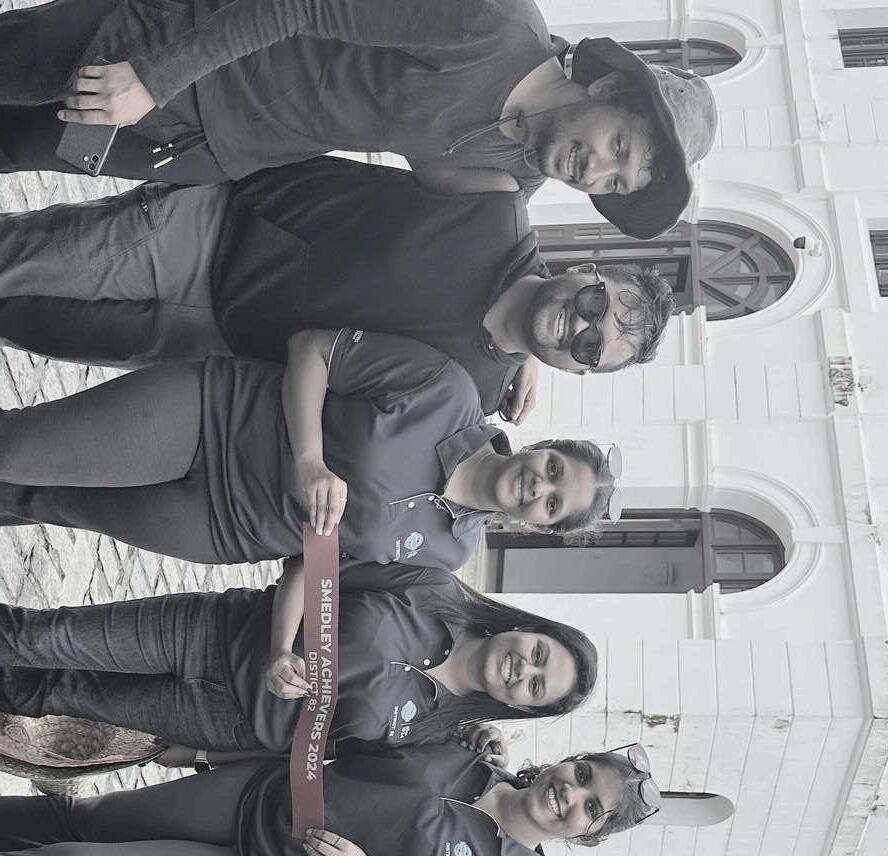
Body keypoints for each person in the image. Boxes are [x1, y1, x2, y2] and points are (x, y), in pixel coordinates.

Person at [0, 159, 673, 419]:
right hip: (208, 232)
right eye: (596, 303)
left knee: (28, 322)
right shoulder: (494, 207)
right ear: (585, 269)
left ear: (580, 370)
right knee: (19, 260)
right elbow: (406, 121)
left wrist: (525, 356)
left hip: (208, 343)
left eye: (592, 347)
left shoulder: (471, 394)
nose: (581, 326)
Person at [0, 0, 717, 236]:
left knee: (11, 144)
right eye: (617, 145)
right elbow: (300, 4)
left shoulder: (515, 175)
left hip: (197, 145)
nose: (596, 171)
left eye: (615, 184)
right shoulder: (493, 26)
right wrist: (153, 76)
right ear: (608, 87)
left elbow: (495, 253)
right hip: (169, 51)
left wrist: (518, 356)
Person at [0, 327, 620, 566]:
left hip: (222, 528)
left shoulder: (451, 551)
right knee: (16, 450)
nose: (540, 486)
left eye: (553, 503)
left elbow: (329, 568)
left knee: (40, 502)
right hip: (216, 420)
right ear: (544, 447)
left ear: (541, 525)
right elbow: (312, 350)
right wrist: (309, 459)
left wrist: (288, 649)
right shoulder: (447, 391)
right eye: (554, 468)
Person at [0, 741, 662, 856]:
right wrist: (216, 751)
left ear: (589, 836)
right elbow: (352, 734)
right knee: (89, 816)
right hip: (256, 793)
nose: (571, 794)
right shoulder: (469, 753)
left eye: (591, 809)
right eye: (582, 774)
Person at [0, 565, 598, 757]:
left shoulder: (438, 735)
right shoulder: (433, 589)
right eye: (538, 654)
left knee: (54, 695)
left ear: (521, 707)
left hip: (224, 721)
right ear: (526, 628)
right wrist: (281, 648)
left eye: (536, 687)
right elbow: (313, 564)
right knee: (42, 637)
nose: (524, 669)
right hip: (216, 633)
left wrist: (477, 746)